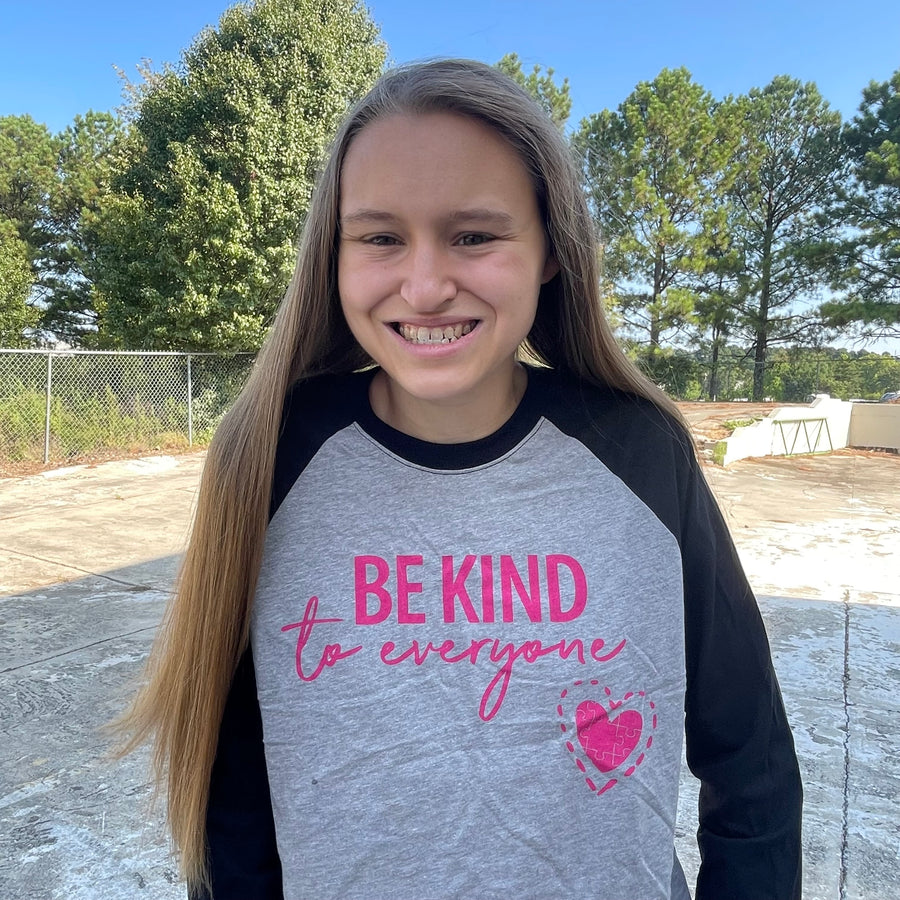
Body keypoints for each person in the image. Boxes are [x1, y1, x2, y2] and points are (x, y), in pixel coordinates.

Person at [118, 59, 802, 899]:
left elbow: (751, 755)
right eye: (379, 237)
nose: (426, 284)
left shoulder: (638, 450)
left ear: (551, 249)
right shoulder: (267, 455)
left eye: (474, 235)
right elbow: (226, 790)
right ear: (332, 255)